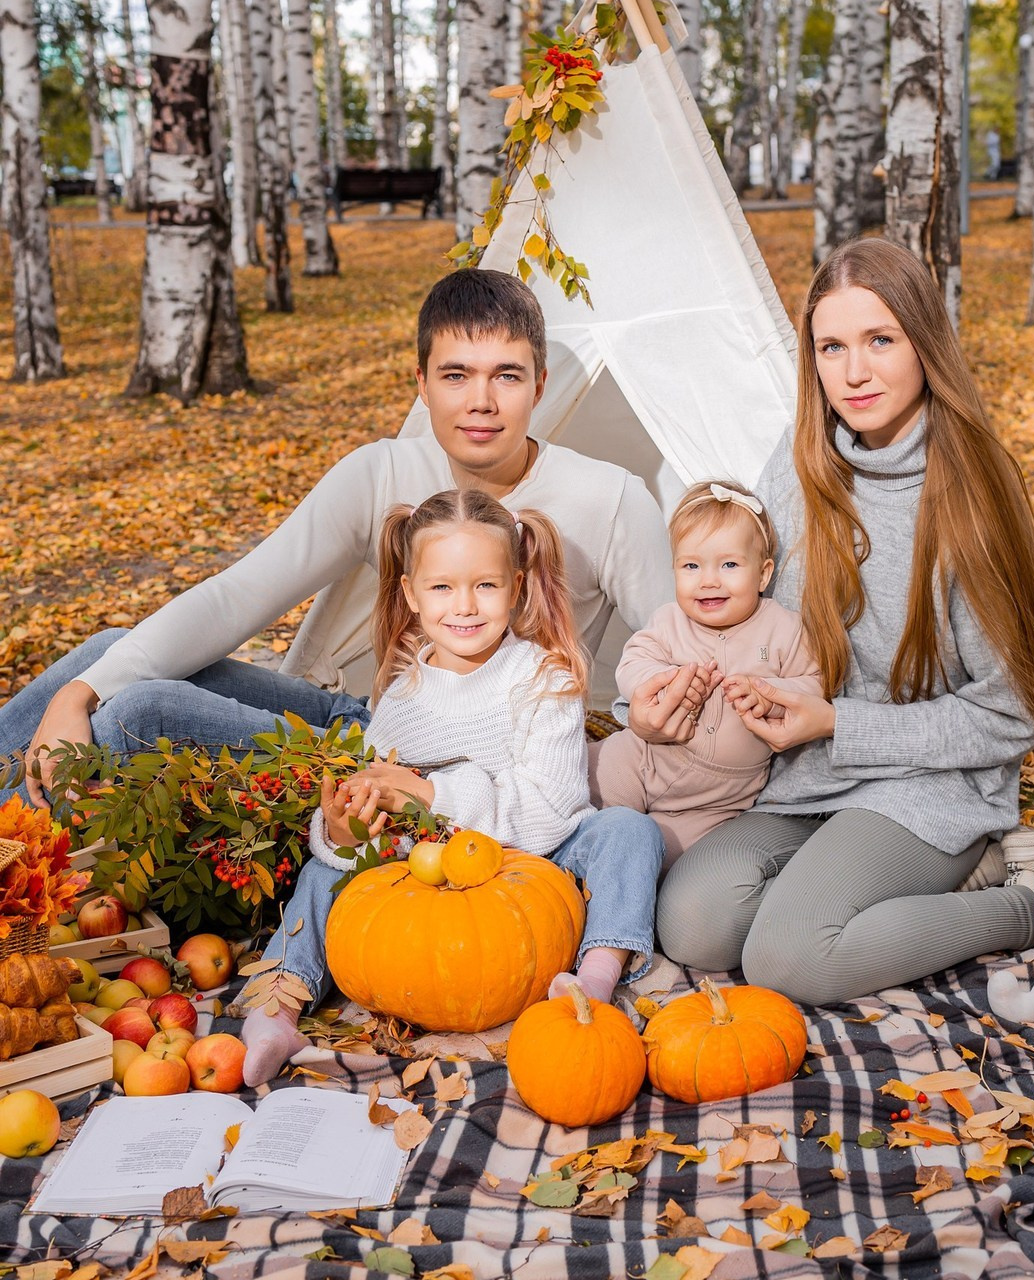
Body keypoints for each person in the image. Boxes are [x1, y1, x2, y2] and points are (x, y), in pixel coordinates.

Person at [2, 270, 685, 808]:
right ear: (421, 386)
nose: (481, 401)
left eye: (505, 376)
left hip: (447, 765)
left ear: (539, 385)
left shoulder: (611, 498)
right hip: (375, 716)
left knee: (145, 708)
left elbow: (670, 660)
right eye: (455, 376)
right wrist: (76, 695)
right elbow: (237, 595)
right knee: (105, 657)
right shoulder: (382, 472)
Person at [652, 238, 1034, 1006]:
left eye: (880, 339)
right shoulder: (800, 462)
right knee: (693, 922)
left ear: (924, 342)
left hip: (930, 781)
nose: (854, 372)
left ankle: (1012, 902)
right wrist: (670, 685)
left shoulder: (971, 496)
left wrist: (837, 722)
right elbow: (745, 610)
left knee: (789, 958)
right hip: (811, 774)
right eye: (831, 346)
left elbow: (1010, 719)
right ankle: (861, 881)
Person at [241, 489, 664, 1086]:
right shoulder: (401, 694)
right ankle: (277, 1006)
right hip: (425, 869)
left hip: (530, 863)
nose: (464, 606)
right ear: (411, 593)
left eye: (486, 586)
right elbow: (369, 811)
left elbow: (550, 812)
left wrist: (432, 795)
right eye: (442, 587)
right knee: (324, 871)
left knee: (627, 830)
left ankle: (592, 979)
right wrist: (341, 830)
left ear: (516, 587)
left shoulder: (543, 679)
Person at [589, 480, 821, 869]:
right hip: (646, 758)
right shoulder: (669, 620)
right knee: (596, 786)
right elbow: (634, 661)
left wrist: (772, 694)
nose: (708, 580)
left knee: (661, 861)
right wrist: (662, 681)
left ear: (763, 575)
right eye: (691, 566)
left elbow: (814, 685)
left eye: (729, 565)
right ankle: (575, 848)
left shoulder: (784, 629)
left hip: (719, 800)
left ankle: (623, 875)